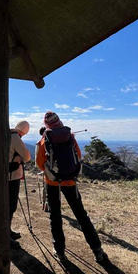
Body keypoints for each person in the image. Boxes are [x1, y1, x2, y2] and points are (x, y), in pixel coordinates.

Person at [36, 112, 108, 263]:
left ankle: (60, 251)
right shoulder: (70, 137)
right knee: (81, 215)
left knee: (55, 216)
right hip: (70, 182)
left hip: (52, 182)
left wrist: (51, 170)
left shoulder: (45, 139)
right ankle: (97, 251)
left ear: (46, 124)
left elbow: (39, 163)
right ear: (59, 122)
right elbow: (78, 156)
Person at [9, 121, 31, 247]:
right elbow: (27, 156)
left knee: (9, 205)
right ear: (23, 131)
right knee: (11, 206)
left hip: (6, 175)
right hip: (12, 176)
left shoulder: (7, 135)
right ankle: (6, 235)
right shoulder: (15, 137)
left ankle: (7, 231)